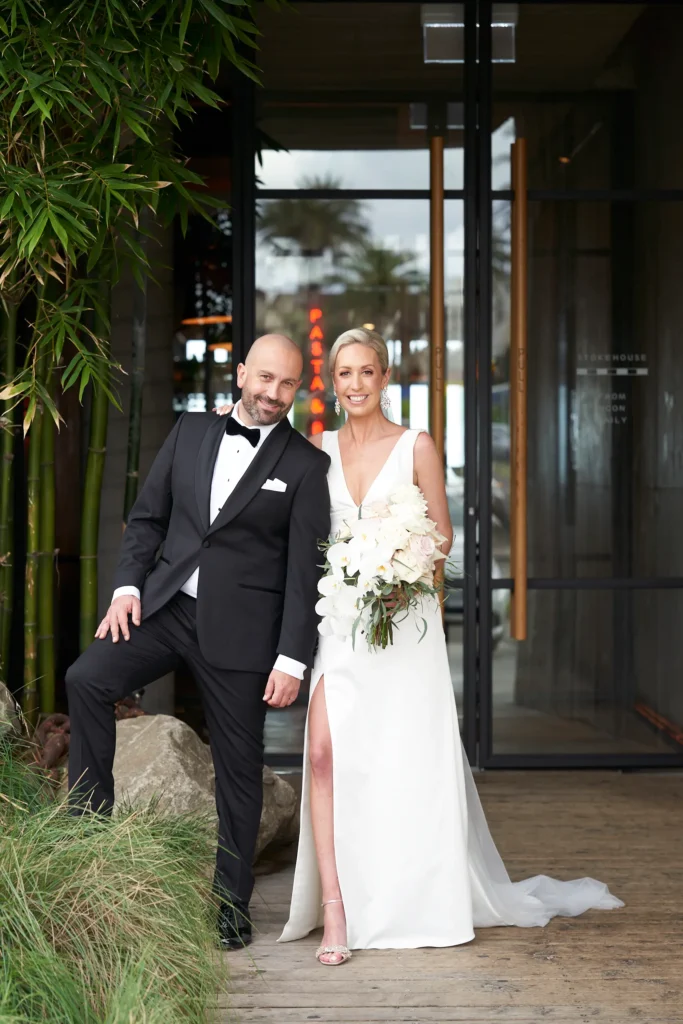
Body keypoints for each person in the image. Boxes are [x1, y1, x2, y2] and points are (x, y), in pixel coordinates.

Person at [217, 327, 623, 966]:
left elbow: (440, 537)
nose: (355, 384)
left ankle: (417, 898)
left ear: (384, 377)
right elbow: (260, 472)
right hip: (340, 625)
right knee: (322, 755)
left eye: (366, 373)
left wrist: (402, 570)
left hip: (405, 626)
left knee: (402, 763)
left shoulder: (417, 446)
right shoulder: (312, 450)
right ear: (332, 382)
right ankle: (335, 910)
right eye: (343, 373)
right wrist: (223, 423)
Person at [66, 334, 331, 950]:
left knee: (238, 770)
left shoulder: (305, 465)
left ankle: (231, 906)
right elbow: (149, 518)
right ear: (241, 374)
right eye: (264, 377)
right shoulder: (190, 431)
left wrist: (291, 658)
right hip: (165, 608)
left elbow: (303, 574)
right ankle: (86, 842)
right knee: (87, 679)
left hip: (242, 635)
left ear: (297, 389)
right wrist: (126, 589)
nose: (272, 393)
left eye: (287, 383)